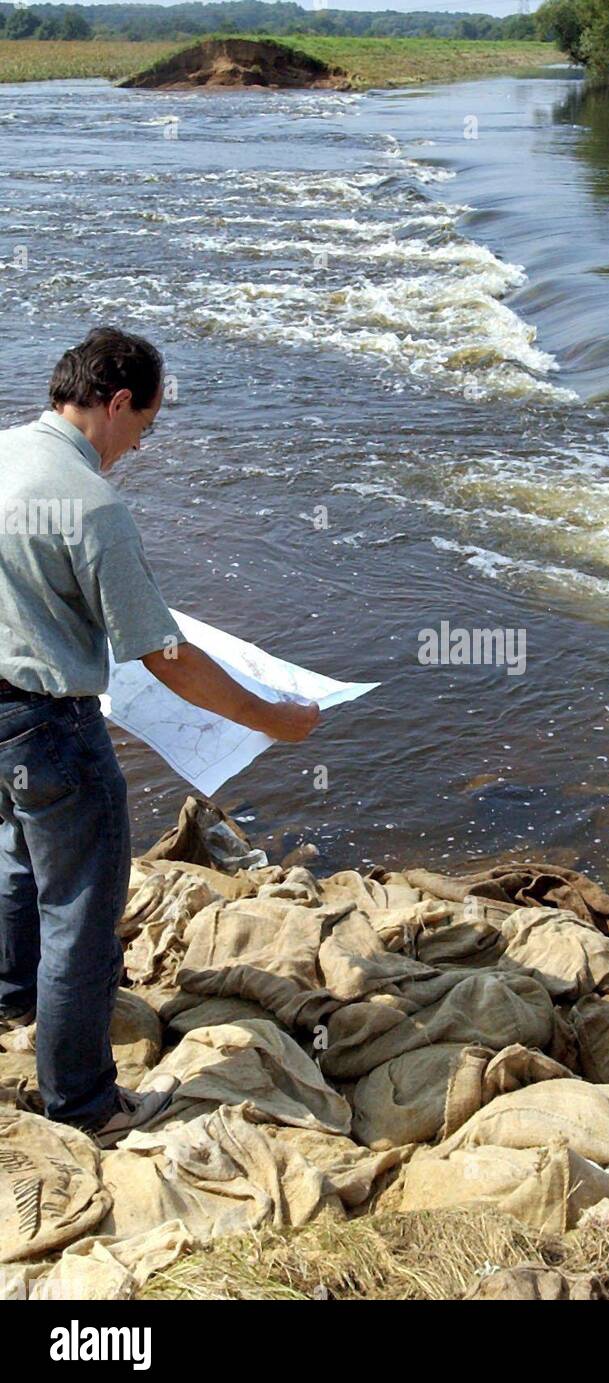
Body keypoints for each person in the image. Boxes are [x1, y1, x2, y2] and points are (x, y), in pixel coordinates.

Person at [0, 326, 320, 1147]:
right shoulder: (92, 504)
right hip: (50, 728)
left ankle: (12, 1004)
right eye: (143, 426)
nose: (139, 445)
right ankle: (85, 1104)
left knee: (11, 862)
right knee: (79, 913)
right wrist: (273, 717)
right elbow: (163, 653)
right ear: (114, 403)